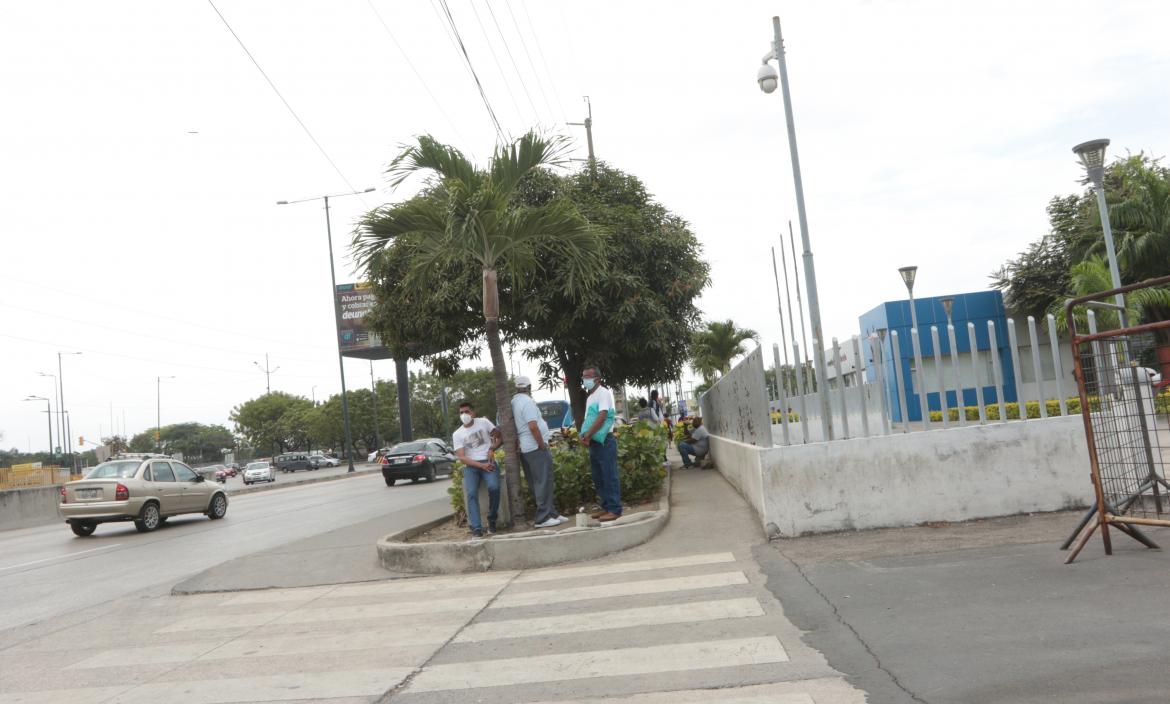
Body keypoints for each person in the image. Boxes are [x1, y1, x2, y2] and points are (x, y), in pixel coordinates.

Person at [512, 376, 568, 528]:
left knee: (538, 482)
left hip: (526, 447)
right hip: (535, 447)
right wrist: (541, 444)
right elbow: (533, 426)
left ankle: (551, 513)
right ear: (529, 387)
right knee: (544, 481)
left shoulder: (514, 401)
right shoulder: (527, 402)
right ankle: (542, 517)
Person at [452, 400, 502, 538]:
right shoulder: (457, 434)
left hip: (489, 461)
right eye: (461, 412)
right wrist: (481, 466)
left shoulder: (483, 422)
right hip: (471, 466)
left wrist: (492, 448)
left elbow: (499, 437)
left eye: (467, 411)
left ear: (473, 412)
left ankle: (492, 520)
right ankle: (477, 529)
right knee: (472, 493)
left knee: (494, 487)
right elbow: (462, 458)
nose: (464, 414)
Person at [578, 365, 621, 521]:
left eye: (587, 377)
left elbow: (602, 416)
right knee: (598, 476)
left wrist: (588, 435)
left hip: (605, 441)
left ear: (597, 378)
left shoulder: (604, 393)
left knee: (609, 475)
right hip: (594, 442)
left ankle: (614, 509)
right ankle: (606, 507)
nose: (585, 380)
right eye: (583, 377)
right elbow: (588, 419)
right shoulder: (590, 397)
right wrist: (584, 436)